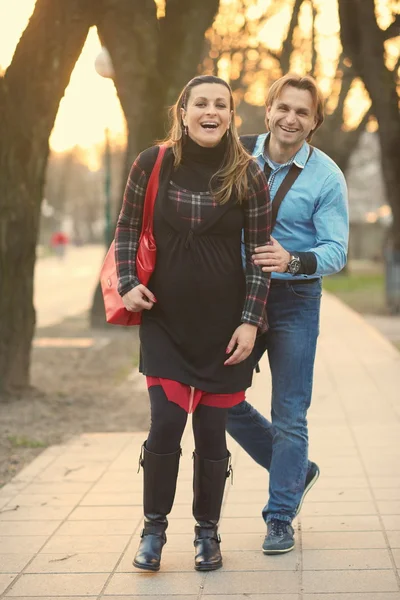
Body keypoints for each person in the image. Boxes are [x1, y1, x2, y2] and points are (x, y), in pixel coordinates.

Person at [115, 75, 271, 572]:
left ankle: (208, 533)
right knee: (165, 426)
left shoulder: (249, 175)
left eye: (220, 105)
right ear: (183, 112)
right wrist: (125, 282)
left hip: (224, 328)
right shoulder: (151, 162)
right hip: (164, 320)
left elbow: (262, 258)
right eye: (200, 103)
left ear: (230, 115)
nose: (211, 111)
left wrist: (250, 323)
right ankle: (153, 531)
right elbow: (125, 227)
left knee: (211, 433)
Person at [227, 73, 349, 555]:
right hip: (238, 299)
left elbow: (337, 249)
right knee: (219, 396)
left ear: (314, 122)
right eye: (284, 108)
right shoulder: (236, 155)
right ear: (269, 110)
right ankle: (298, 470)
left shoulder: (326, 176)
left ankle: (279, 517)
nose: (291, 119)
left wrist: (292, 261)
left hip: (296, 299)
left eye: (303, 112)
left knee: (290, 412)